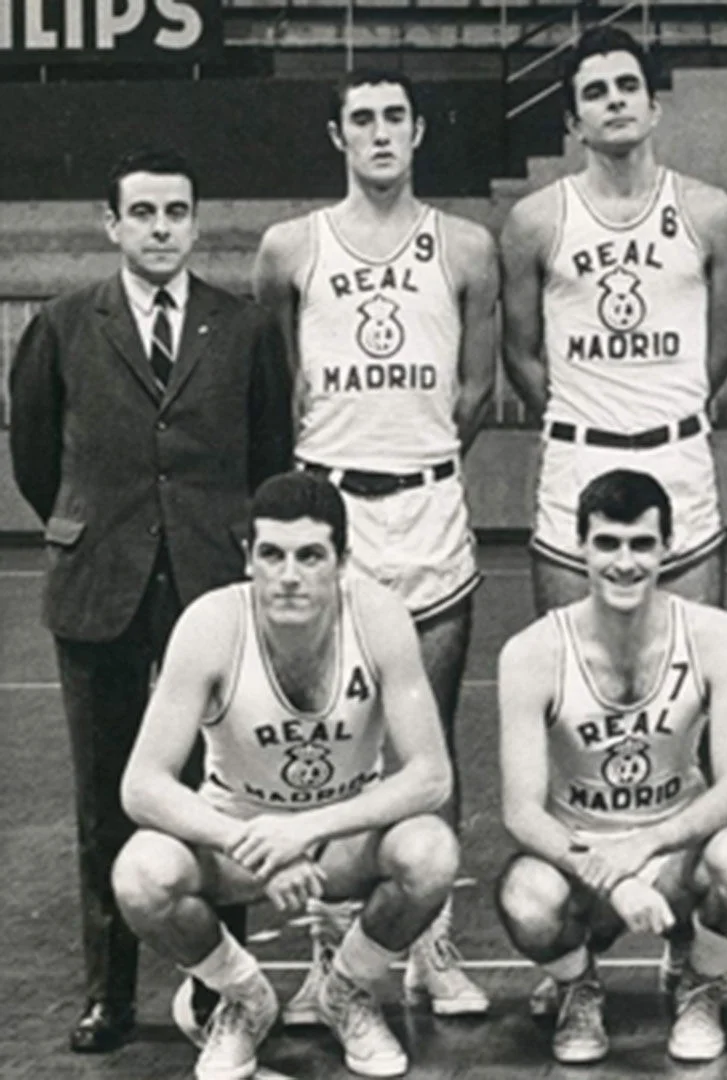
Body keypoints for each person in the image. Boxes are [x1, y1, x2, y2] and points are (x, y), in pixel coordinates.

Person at [8, 147, 294, 1054]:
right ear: (112, 225)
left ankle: (224, 993)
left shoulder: (243, 327)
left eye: (177, 212)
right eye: (144, 214)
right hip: (100, 587)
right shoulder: (61, 324)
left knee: (224, 793)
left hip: (213, 586)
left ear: (196, 223)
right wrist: (94, 528)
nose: (162, 228)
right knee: (106, 798)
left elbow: (271, 455)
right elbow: (36, 457)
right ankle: (108, 992)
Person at [252, 69, 497, 1019]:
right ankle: (328, 956)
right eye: (364, 118)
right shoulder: (290, 248)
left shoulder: (466, 246)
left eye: (396, 116)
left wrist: (415, 460)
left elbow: (475, 392)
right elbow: (281, 387)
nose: (381, 132)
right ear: (337, 134)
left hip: (430, 511)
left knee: (425, 738)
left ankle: (431, 945)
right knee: (331, 746)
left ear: (420, 131)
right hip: (331, 522)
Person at [109, 471, 461, 1080]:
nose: (289, 574)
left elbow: (431, 777)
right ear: (249, 558)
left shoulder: (378, 618)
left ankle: (346, 990)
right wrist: (260, 843)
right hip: (239, 835)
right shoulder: (211, 624)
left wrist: (304, 832)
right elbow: (142, 785)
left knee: (431, 853)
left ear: (342, 562)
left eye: (309, 556)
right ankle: (243, 998)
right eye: (271, 554)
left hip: (342, 836)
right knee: (141, 876)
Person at [494, 470, 727, 1064]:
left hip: (674, 854)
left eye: (641, 544)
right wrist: (612, 876)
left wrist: (646, 847)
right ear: (580, 547)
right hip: (583, 861)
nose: (625, 563)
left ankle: (700, 980)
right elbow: (520, 812)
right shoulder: (531, 652)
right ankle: (578, 987)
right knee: (525, 897)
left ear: (667, 547)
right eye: (608, 544)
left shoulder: (719, 636)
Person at [501, 26, 727, 612]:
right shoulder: (535, 220)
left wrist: (665, 406)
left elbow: (720, 348)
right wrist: (582, 413)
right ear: (573, 123)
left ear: (654, 107)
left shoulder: (710, 213)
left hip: (677, 454)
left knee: (689, 668)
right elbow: (521, 355)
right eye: (597, 91)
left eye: (628, 86)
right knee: (574, 669)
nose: (615, 99)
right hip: (578, 455)